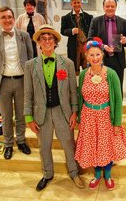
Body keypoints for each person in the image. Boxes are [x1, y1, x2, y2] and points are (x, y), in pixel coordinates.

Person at [23, 24, 85, 191]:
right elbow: (27, 93)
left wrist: (74, 113)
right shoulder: (30, 65)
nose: (47, 41)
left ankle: (73, 172)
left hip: (62, 111)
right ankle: (47, 173)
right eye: (44, 38)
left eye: (50, 38)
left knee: (68, 143)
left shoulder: (68, 63)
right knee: (44, 146)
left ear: (56, 42)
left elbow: (74, 91)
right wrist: (29, 117)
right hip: (41, 114)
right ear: (39, 43)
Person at [75, 38, 126, 190]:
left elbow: (118, 100)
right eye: (91, 55)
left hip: (105, 116)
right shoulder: (83, 75)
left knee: (105, 147)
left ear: (102, 55)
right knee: (93, 146)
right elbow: (81, 98)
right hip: (88, 116)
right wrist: (80, 118)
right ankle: (97, 174)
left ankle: (107, 175)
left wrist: (117, 123)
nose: (95, 58)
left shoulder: (111, 74)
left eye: (98, 54)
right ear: (87, 56)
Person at [0, 6, 33, 160]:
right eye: (3, 17)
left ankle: (21, 141)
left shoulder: (24, 35)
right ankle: (8, 144)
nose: (7, 20)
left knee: (21, 114)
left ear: (14, 18)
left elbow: (30, 56)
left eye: (9, 17)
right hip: (4, 82)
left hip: (21, 81)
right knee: (7, 116)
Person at [88, 0, 126, 93]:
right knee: (102, 87)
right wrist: (103, 46)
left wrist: (125, 41)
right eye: (107, 6)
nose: (110, 8)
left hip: (118, 59)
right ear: (103, 7)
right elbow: (90, 39)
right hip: (101, 59)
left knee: (117, 87)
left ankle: (118, 107)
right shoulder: (96, 21)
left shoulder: (123, 22)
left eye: (112, 6)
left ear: (116, 7)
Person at [61, 0, 93, 75]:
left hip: (86, 46)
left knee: (88, 68)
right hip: (74, 46)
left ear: (81, 3)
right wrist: (71, 31)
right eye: (74, 3)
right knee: (74, 68)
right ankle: (76, 85)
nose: (76, 4)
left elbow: (92, 31)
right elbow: (62, 31)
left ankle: (87, 85)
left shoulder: (89, 17)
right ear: (71, 4)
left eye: (78, 2)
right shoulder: (66, 18)